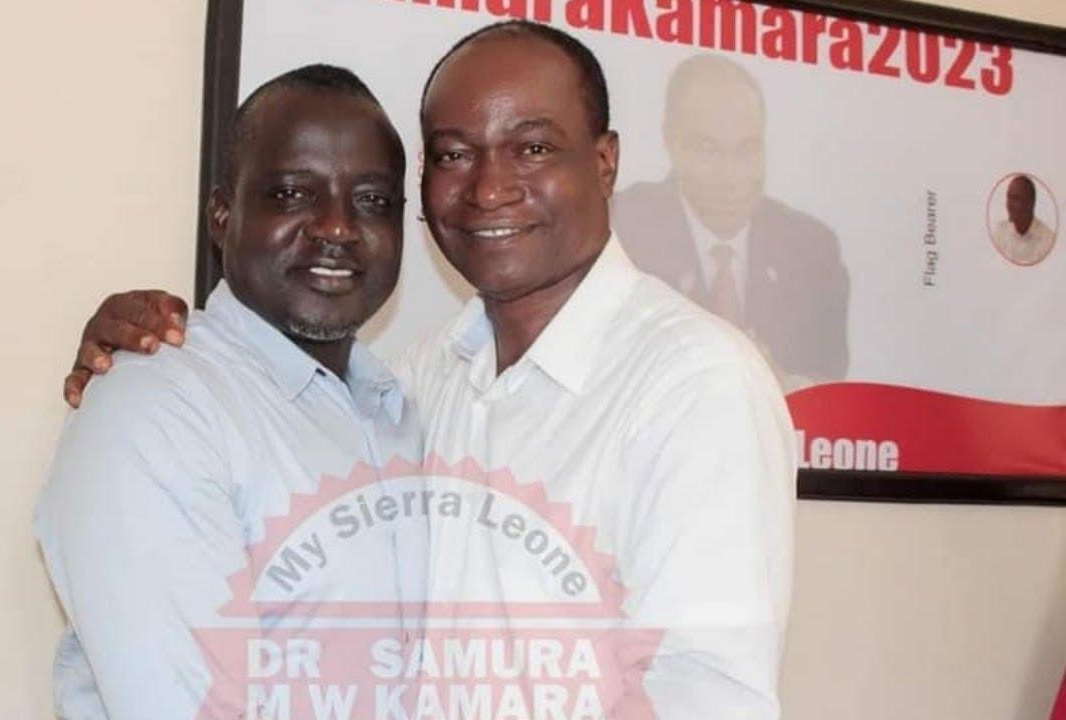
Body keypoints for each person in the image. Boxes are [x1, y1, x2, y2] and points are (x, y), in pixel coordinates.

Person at [63, 21, 795, 719]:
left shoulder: (695, 383)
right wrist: (148, 353)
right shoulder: (415, 384)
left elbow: (702, 694)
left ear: (604, 163)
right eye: (453, 154)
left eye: (533, 147)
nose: (489, 187)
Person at [35, 64, 425, 719]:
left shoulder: (404, 411)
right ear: (222, 216)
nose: (337, 227)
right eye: (293, 193)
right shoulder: (157, 406)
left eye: (373, 201)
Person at [611, 54, 849, 389]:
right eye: (708, 150)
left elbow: (830, 387)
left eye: (748, 149)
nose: (731, 176)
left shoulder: (812, 249)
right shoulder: (618, 227)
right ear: (670, 143)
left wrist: (782, 386)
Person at [991, 174, 1055, 265]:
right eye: (1009, 197)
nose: (1009, 205)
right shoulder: (999, 234)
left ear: (1030, 203)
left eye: (1015, 199)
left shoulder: (1048, 241)